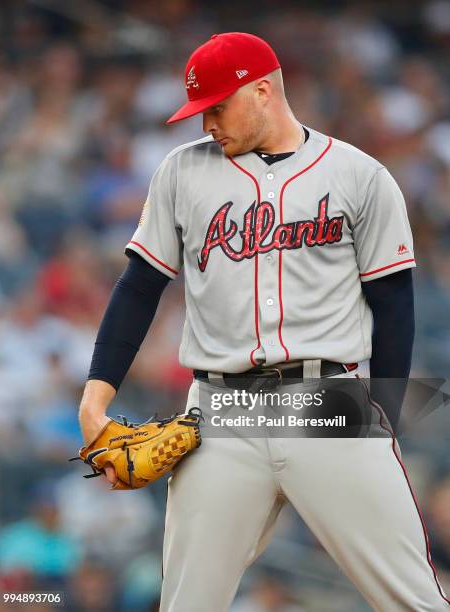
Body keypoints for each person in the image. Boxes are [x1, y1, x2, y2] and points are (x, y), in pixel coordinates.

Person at [78, 32, 450, 611]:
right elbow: (138, 288)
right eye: (199, 113)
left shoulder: (359, 175)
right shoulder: (181, 172)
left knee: (415, 602)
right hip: (219, 410)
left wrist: (387, 410)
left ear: (262, 91)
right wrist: (95, 397)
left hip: (329, 400)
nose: (206, 126)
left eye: (216, 108)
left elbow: (394, 303)